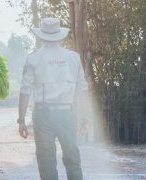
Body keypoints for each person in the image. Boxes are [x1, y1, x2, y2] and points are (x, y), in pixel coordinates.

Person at [18, 17, 89, 180]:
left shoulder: (33, 58)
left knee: (46, 160)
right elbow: (82, 90)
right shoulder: (73, 57)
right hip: (66, 114)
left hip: (43, 115)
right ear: (60, 36)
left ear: (41, 36)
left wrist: (21, 120)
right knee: (73, 158)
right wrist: (85, 116)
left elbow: (25, 91)